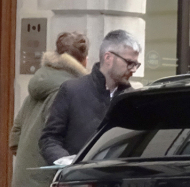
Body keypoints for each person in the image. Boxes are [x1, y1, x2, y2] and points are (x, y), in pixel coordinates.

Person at [7, 31, 89, 187]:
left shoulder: (38, 85)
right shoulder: (72, 90)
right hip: (52, 184)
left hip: (30, 182)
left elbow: (14, 137)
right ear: (84, 60)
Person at [38, 29, 140, 166]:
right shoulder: (72, 90)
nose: (133, 69)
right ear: (108, 58)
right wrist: (67, 163)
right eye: (129, 63)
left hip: (118, 180)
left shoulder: (132, 99)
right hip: (78, 182)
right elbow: (49, 139)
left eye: (136, 64)